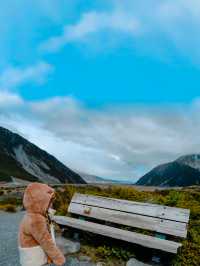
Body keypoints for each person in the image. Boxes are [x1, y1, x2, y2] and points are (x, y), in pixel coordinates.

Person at [18, 182, 66, 266]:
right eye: (49, 202)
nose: (51, 205)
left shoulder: (30, 215)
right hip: (36, 260)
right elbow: (46, 242)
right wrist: (58, 258)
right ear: (39, 201)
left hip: (28, 258)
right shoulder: (36, 220)